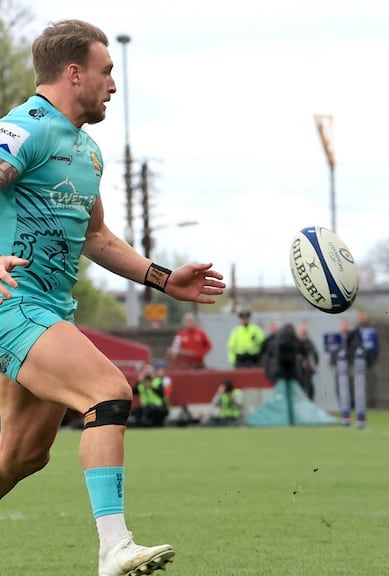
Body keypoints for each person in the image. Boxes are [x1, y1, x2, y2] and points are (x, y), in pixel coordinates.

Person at [0, 19, 225, 575]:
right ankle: (114, 548)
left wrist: (163, 278)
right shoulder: (24, 128)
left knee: (22, 454)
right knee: (108, 390)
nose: (114, 86)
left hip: (50, 309)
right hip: (13, 303)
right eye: (107, 72)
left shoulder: (88, 152)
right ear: (73, 73)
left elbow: (96, 237)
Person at [331, 312, 379, 429]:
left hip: (357, 366)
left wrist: (370, 362)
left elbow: (372, 348)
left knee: (358, 391)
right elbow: (333, 351)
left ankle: (360, 418)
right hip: (343, 367)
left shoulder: (358, 334)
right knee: (342, 392)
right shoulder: (339, 338)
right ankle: (346, 417)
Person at [129, 362, 171, 428]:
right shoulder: (141, 384)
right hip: (146, 407)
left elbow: (161, 393)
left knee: (153, 413)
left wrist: (151, 387)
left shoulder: (157, 381)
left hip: (158, 407)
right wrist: (139, 381)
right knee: (136, 411)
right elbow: (133, 391)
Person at [295, 321, 319, 400]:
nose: (304, 331)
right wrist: (302, 361)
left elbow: (315, 355)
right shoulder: (295, 342)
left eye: (305, 329)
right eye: (303, 329)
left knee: (309, 391)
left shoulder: (309, 343)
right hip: (297, 373)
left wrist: (314, 364)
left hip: (307, 373)